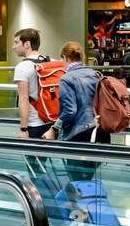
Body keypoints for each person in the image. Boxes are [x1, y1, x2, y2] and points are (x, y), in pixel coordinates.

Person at [43, 41, 109, 182]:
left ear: (65, 57)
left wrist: (54, 129)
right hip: (98, 133)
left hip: (78, 134)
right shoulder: (95, 74)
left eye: (62, 59)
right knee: (88, 179)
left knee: (77, 179)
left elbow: (69, 110)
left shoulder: (67, 79)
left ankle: (79, 204)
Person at [12, 27, 55, 140]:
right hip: (53, 123)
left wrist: (24, 129)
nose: (13, 47)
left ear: (27, 44)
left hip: (35, 125)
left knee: (32, 157)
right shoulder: (52, 62)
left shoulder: (22, 67)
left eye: (16, 42)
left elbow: (24, 99)